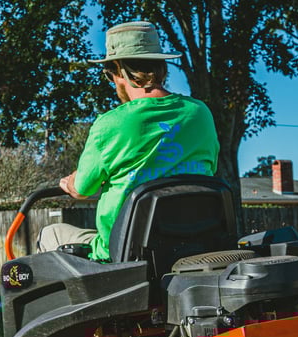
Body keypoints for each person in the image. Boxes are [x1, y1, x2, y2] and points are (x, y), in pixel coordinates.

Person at [37, 21, 220, 261]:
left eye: (109, 74)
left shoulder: (110, 124)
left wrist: (70, 181)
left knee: (50, 233)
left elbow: (81, 189)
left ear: (119, 69)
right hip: (193, 248)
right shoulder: (200, 114)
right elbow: (208, 170)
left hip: (124, 252)